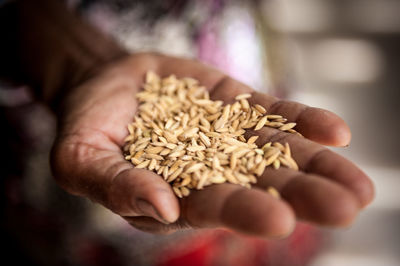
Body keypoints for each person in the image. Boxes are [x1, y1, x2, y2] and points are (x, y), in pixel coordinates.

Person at [0, 0, 374, 238]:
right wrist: (76, 65)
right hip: (32, 79)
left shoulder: (218, 112)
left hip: (219, 42)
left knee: (266, 207)